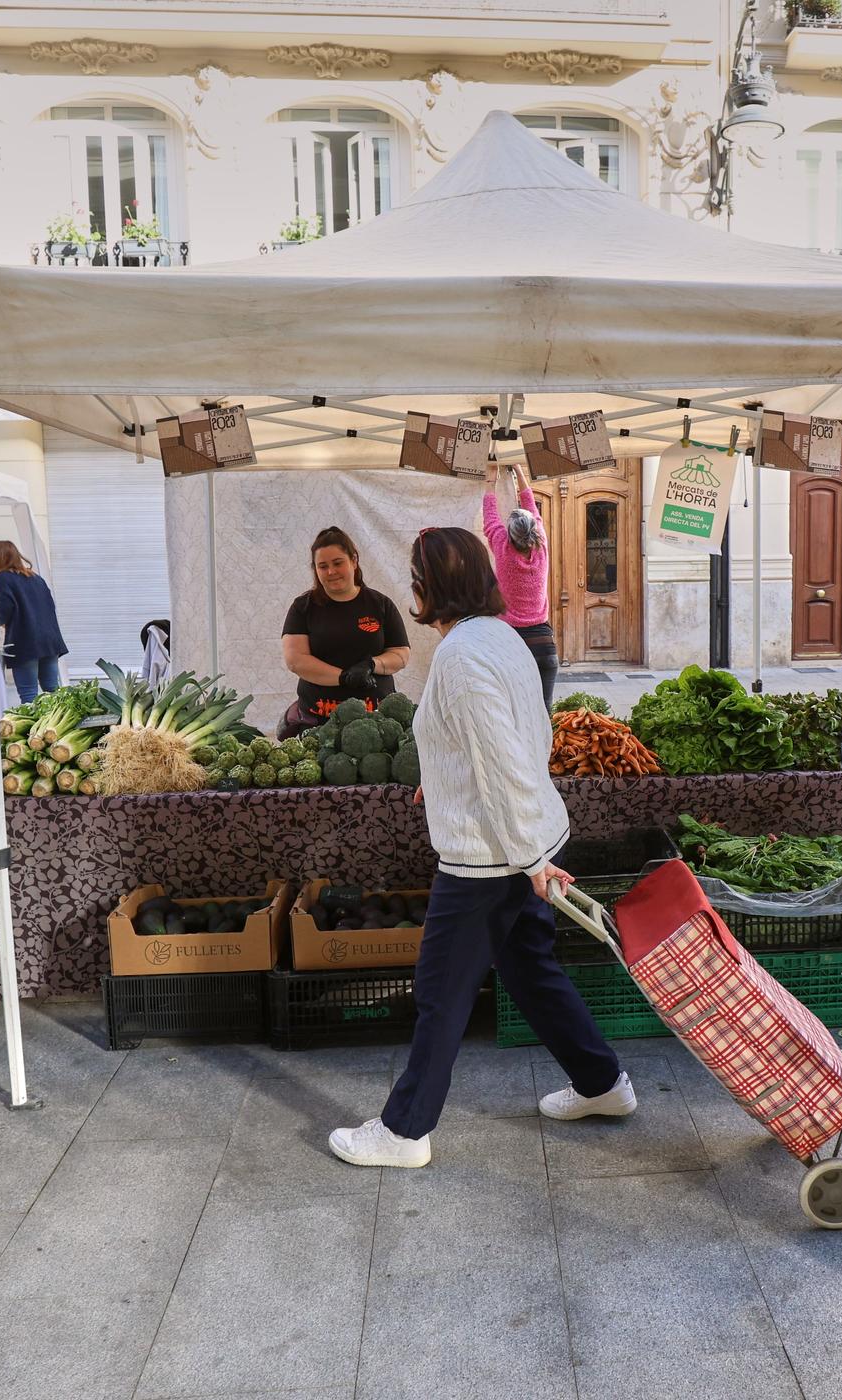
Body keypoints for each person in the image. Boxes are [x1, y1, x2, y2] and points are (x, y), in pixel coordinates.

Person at [329, 527, 632, 1169]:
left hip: (490, 855)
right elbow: (521, 737)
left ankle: (404, 1132)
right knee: (532, 972)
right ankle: (602, 1084)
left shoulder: (463, 655)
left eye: (414, 577)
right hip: (515, 842)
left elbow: (501, 759)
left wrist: (530, 860)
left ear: (426, 588)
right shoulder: (501, 636)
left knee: (441, 990)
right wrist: (443, 787)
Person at [279, 526, 410, 736]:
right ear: (316, 569)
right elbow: (296, 660)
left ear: (354, 561)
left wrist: (372, 664)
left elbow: (401, 654)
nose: (331, 572)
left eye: (338, 563)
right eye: (323, 566)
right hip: (318, 720)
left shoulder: (380, 604)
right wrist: (343, 677)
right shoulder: (302, 607)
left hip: (378, 720)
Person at [481, 461, 557, 707]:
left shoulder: (503, 547)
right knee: (542, 714)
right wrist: (519, 469)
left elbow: (490, 514)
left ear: (509, 533)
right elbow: (529, 502)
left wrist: (491, 479)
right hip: (544, 647)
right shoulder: (541, 546)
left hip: (511, 644)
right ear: (534, 531)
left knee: (513, 713)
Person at [0, 540, 69, 704]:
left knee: (28, 695)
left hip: (25, 641)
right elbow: (50, 605)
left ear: (0, 557)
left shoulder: (2, 578)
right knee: (53, 691)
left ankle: (33, 729)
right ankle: (56, 727)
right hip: (49, 640)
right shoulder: (35, 577)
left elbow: (6, 606)